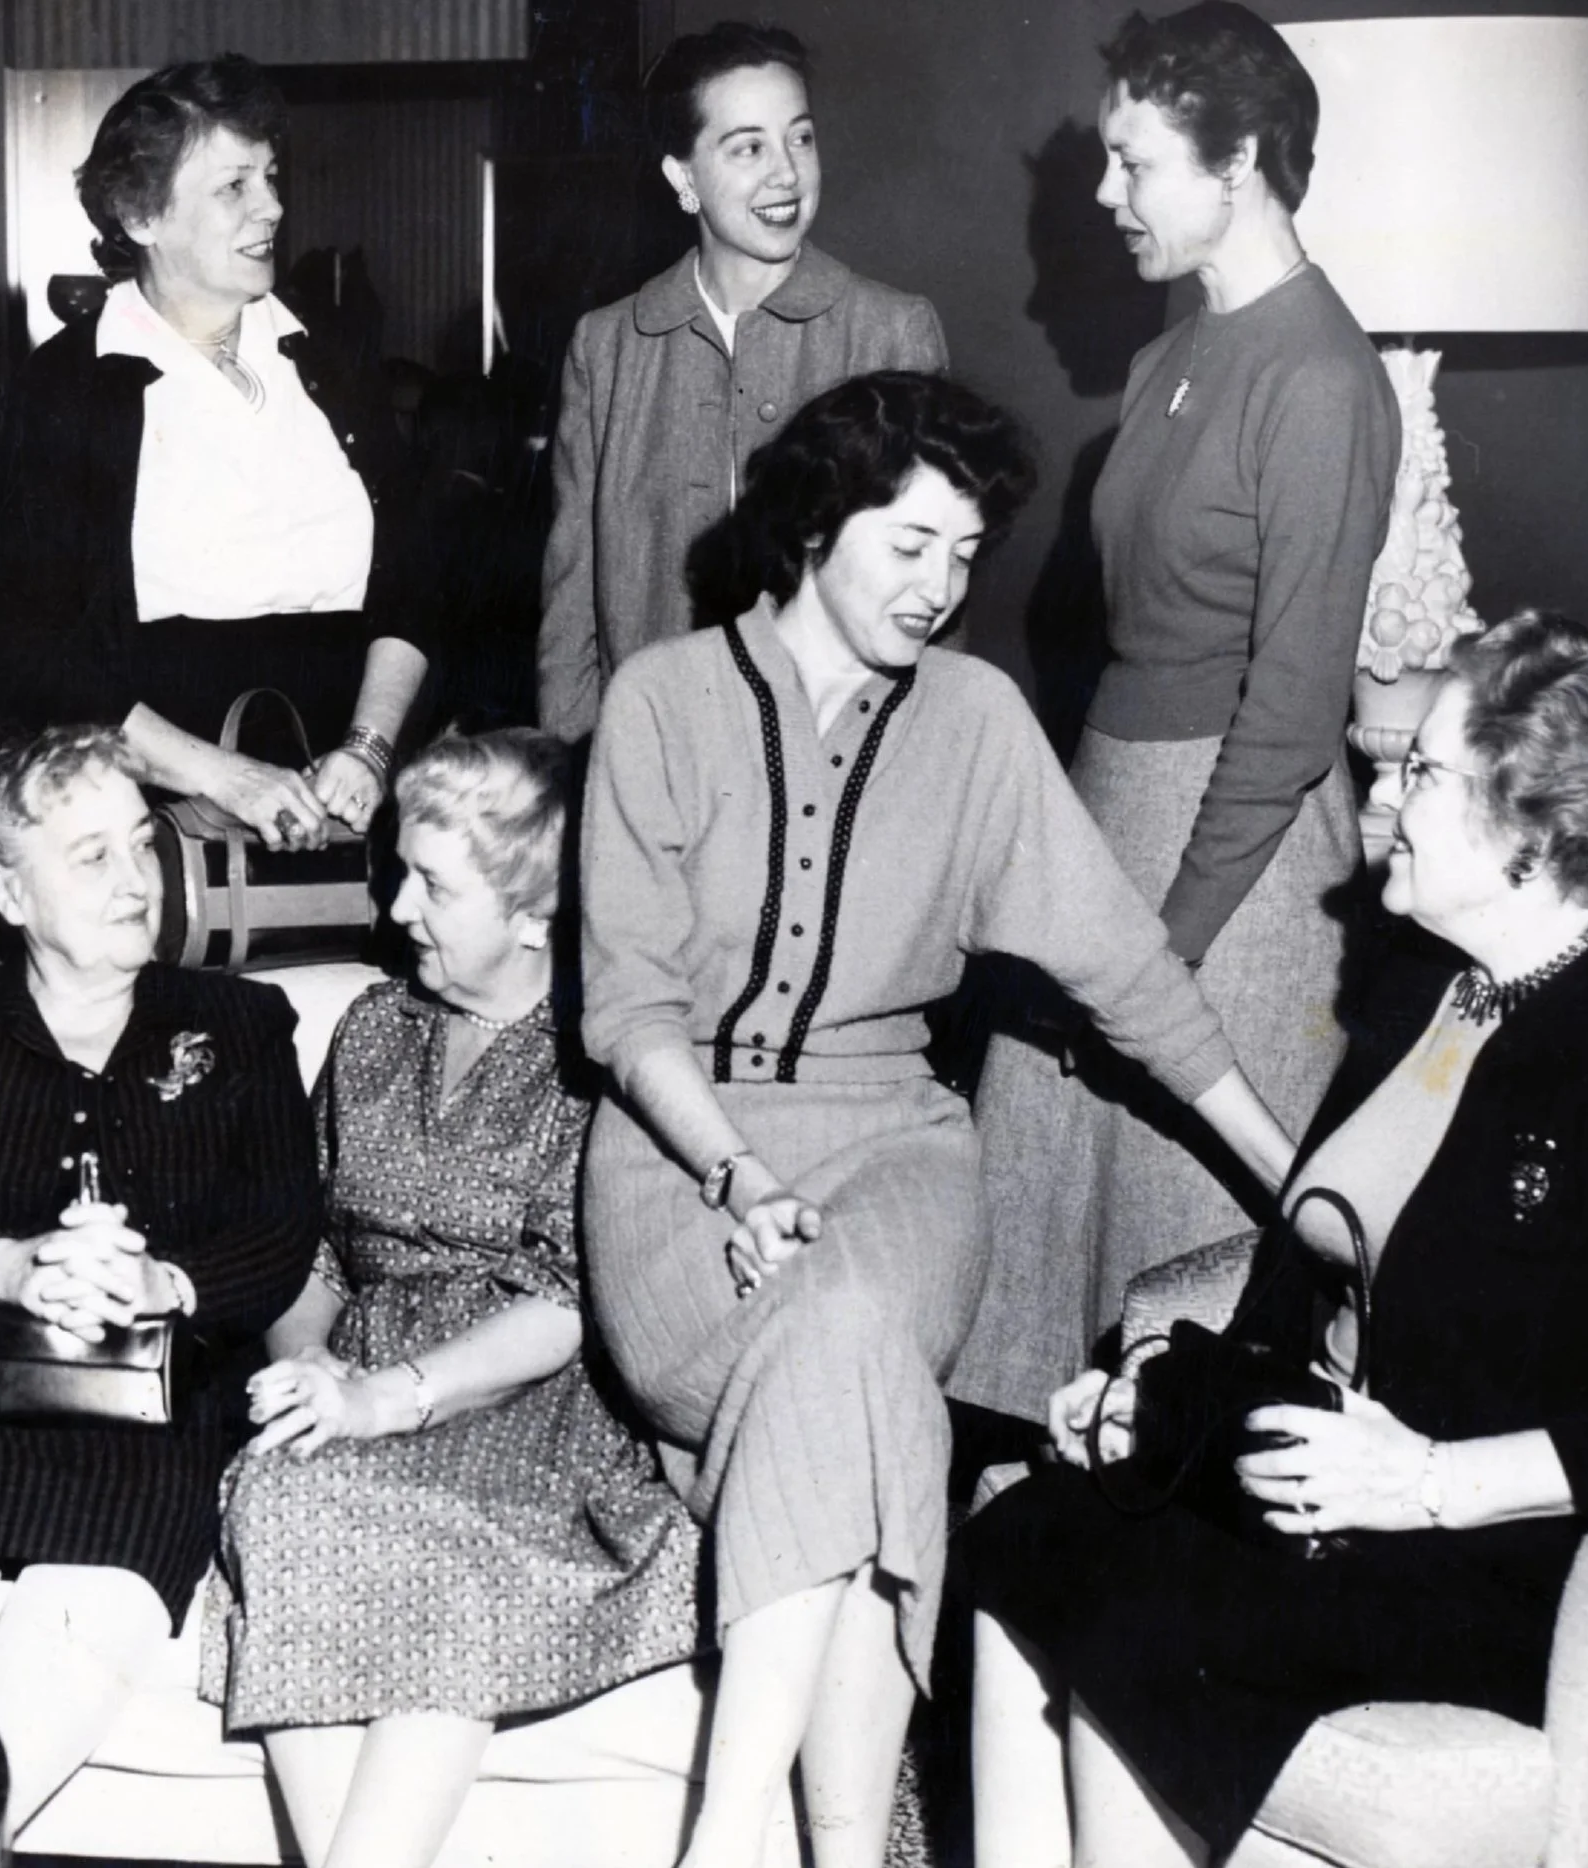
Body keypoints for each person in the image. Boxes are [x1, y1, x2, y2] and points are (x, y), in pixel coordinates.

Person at [579, 371, 1297, 1868]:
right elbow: (628, 1014)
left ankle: (726, 1837)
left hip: (903, 1149)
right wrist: (733, 1170)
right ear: (808, 530)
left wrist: (1300, 1189)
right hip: (674, 1158)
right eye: (908, 546)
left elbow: (1127, 973)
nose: (942, 585)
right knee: (877, 1384)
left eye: (965, 554)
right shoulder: (660, 702)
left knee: (849, 1328)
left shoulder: (973, 723)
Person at [960, 613, 1588, 1868]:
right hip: (1326, 1497)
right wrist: (1161, 1402)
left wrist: (1427, 1481)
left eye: (1423, 771)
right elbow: (1303, 1271)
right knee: (1032, 1519)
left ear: (1536, 829)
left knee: (1127, 1590)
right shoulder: (1426, 986)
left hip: (1503, 1556)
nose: (1383, 794)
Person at [959, 1, 1402, 1423]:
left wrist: (1171, 945)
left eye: (1133, 164)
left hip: (1242, 863)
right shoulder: (1161, 365)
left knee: (1176, 1256)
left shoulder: (1325, 378)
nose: (1104, 197)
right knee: (1030, 1221)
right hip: (1108, 812)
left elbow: (1288, 713)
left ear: (1245, 159)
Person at [0, 725, 319, 1838]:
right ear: (8, 892)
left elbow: (280, 1237)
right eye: (90, 857)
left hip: (146, 1436)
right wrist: (10, 1267)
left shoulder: (238, 1023)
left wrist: (163, 1281)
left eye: (141, 844)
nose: (135, 880)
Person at [204, 729, 700, 1868]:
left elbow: (576, 1294)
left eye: (432, 882)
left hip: (524, 1396)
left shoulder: (601, 1058)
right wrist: (316, 1359)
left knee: (441, 1544)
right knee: (277, 1492)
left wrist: (400, 1395)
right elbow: (315, 1247)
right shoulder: (377, 1023)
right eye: (398, 870)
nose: (393, 905)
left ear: (535, 913)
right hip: (364, 1373)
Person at [0, 54, 427, 852]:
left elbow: (416, 573)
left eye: (270, 174)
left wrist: (368, 749)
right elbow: (39, 651)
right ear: (140, 215)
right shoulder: (66, 387)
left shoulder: (328, 355)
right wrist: (231, 780)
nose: (274, 205)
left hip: (356, 800)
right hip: (158, 815)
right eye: (235, 186)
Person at [536, 21, 948, 742]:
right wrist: (576, 774)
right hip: (656, 756)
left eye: (801, 138)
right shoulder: (607, 348)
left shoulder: (892, 333)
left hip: (841, 760)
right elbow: (571, 607)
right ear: (682, 178)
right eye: (749, 147)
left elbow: (934, 601)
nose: (787, 173)